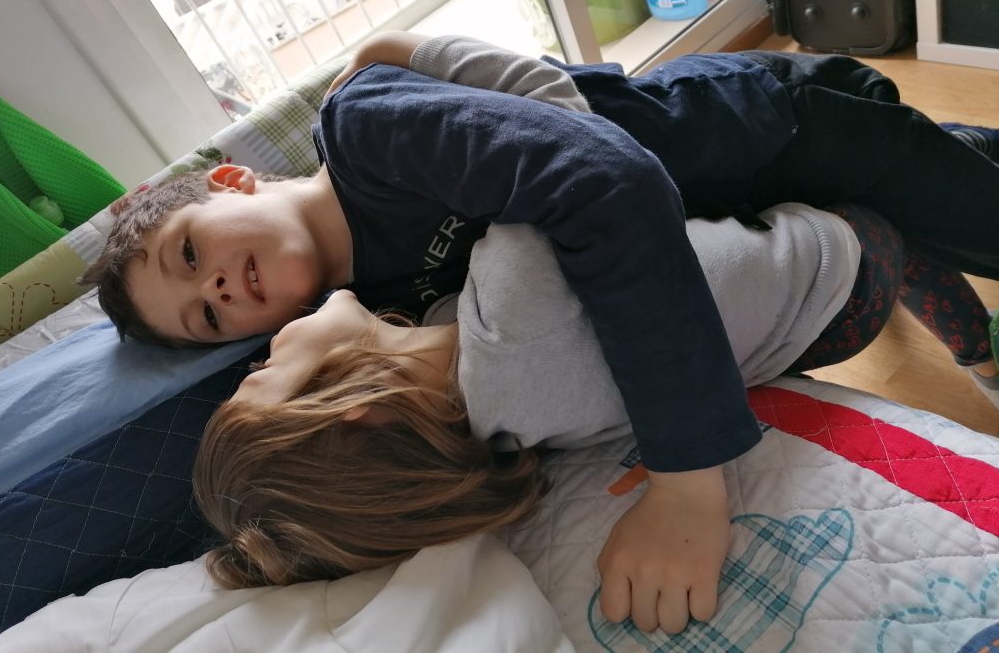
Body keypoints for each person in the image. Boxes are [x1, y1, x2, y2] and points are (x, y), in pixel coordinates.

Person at [83, 32, 999, 632]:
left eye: (191, 251)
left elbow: (598, 168)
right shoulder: (388, 301)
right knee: (932, 212)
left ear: (231, 182)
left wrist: (689, 480)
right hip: (762, 235)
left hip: (765, 134)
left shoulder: (363, 132)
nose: (216, 287)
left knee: (968, 204)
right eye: (209, 317)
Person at [193, 198, 997, 635]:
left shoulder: (500, 425)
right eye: (261, 376)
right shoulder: (512, 307)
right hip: (836, 266)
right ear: (358, 413)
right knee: (904, 235)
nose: (265, 347)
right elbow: (560, 150)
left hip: (781, 343)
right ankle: (982, 357)